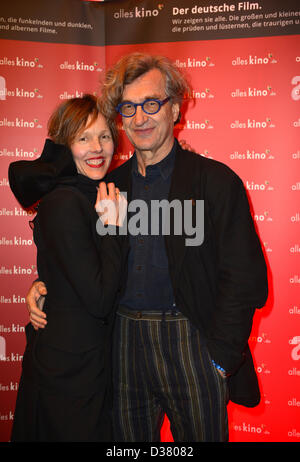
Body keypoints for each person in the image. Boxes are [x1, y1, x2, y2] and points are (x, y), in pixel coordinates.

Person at [24, 53, 268, 442]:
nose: (140, 118)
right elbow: (80, 259)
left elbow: (244, 277)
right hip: (120, 344)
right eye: (129, 108)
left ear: (174, 108)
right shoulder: (107, 187)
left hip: (192, 342)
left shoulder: (217, 183)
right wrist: (43, 285)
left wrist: (219, 360)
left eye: (152, 104)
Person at [8, 94, 124, 442]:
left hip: (90, 368)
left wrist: (42, 283)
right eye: (83, 137)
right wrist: (112, 228)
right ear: (64, 146)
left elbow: (70, 270)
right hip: (70, 377)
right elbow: (100, 298)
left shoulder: (96, 194)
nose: (97, 147)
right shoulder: (65, 201)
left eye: (104, 136)